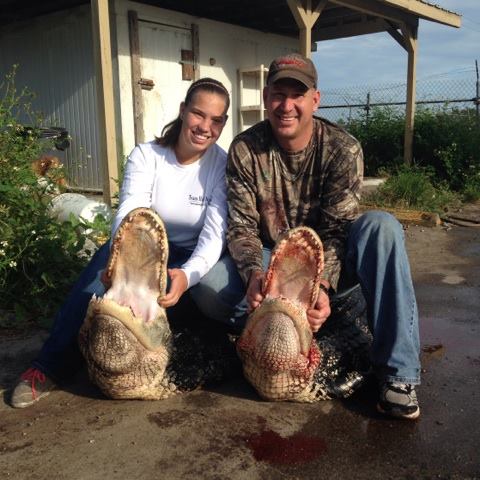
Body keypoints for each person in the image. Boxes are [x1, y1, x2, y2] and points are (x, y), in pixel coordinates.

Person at [10, 77, 231, 408]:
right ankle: (48, 366)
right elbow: (129, 211)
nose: (205, 127)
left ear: (223, 123)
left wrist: (187, 275)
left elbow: (215, 234)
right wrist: (121, 259)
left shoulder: (222, 166)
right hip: (139, 247)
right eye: (198, 114)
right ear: (183, 111)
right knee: (91, 292)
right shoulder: (147, 155)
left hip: (189, 255)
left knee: (195, 302)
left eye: (215, 120)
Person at [224, 53, 421, 420]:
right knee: (209, 290)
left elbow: (337, 231)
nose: (287, 105)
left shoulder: (342, 149)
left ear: (315, 99)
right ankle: (252, 338)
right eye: (278, 94)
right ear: (266, 97)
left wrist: (322, 289)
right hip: (271, 266)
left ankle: (399, 375)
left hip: (331, 266)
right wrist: (252, 271)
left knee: (382, 227)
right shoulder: (245, 149)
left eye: (297, 95)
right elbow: (241, 227)